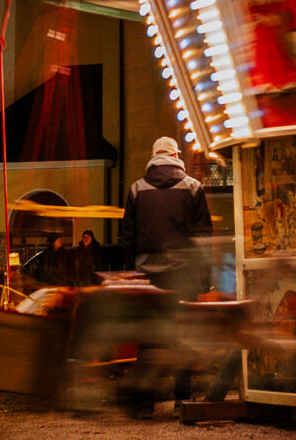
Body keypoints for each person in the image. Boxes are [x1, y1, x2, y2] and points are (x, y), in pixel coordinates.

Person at [119, 136, 213, 418]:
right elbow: (203, 237)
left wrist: (133, 275)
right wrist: (203, 278)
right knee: (183, 335)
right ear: (176, 155)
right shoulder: (193, 187)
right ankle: (182, 400)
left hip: (148, 276)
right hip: (183, 276)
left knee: (148, 337)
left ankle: (146, 403)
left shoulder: (137, 190)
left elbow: (127, 238)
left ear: (153, 156)